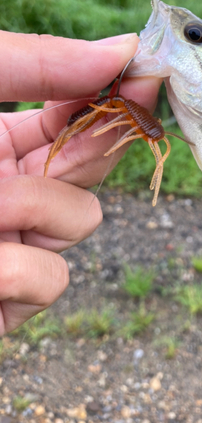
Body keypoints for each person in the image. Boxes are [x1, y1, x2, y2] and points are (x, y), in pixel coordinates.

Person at [0, 31, 162, 335]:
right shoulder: (111, 107)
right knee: (74, 130)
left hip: (113, 110)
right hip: (103, 109)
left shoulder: (125, 114)